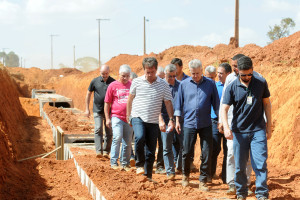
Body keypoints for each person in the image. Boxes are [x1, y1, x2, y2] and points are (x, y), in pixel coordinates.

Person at [221, 56, 272, 200]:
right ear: (237, 72)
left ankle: (262, 194)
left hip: (258, 130)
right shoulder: (232, 86)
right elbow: (224, 108)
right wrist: (226, 127)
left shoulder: (261, 83)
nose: (247, 77)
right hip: (239, 132)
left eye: (250, 74)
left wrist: (270, 125)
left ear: (253, 71)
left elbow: (267, 104)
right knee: (240, 167)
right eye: (243, 75)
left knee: (260, 163)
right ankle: (241, 192)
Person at [126, 57, 175, 182]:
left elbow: (168, 102)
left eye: (152, 72)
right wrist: (128, 115)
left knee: (151, 149)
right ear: (144, 70)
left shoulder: (163, 84)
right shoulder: (137, 82)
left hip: (153, 120)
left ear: (156, 69)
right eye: (147, 72)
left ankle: (148, 176)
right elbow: (130, 99)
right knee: (140, 137)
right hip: (138, 116)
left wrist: (171, 119)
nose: (150, 74)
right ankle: (139, 165)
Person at [174, 59, 219, 191]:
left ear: (202, 70)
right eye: (193, 73)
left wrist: (220, 120)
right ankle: (185, 176)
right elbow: (178, 104)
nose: (195, 76)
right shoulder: (184, 84)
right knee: (186, 151)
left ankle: (203, 180)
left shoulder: (210, 84)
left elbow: (216, 103)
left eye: (197, 73)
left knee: (206, 152)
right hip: (188, 122)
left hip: (206, 123)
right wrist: (177, 120)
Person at [218, 54, 254, 195]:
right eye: (233, 66)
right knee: (232, 153)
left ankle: (245, 184)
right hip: (232, 122)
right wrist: (222, 120)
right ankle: (232, 184)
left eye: (236, 66)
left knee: (248, 156)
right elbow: (223, 101)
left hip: (249, 123)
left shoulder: (253, 78)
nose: (234, 69)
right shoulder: (230, 79)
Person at [104, 64, 133, 171]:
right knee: (117, 137)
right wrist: (107, 118)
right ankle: (113, 162)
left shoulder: (132, 85)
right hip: (116, 116)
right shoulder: (112, 86)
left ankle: (125, 163)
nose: (125, 78)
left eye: (127, 76)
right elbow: (107, 103)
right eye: (123, 76)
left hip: (129, 117)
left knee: (128, 141)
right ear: (118, 74)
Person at [207, 63, 232, 184]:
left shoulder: (233, 86)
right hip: (215, 121)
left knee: (228, 150)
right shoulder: (214, 86)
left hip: (229, 122)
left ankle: (226, 177)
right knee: (214, 148)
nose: (218, 75)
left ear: (228, 74)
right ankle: (210, 175)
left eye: (221, 73)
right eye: (218, 73)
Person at [85, 65, 115, 158]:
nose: (105, 75)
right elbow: (88, 94)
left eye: (106, 73)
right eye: (103, 74)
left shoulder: (113, 82)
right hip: (97, 110)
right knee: (98, 129)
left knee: (109, 132)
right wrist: (87, 109)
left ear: (109, 72)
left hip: (109, 112)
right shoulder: (94, 81)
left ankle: (106, 151)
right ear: (99, 72)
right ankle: (98, 151)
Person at [159, 64, 180, 180]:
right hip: (166, 120)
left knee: (183, 145)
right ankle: (170, 171)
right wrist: (161, 120)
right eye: (169, 76)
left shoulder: (181, 86)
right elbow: (156, 105)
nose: (171, 78)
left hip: (179, 120)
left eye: (173, 76)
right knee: (167, 146)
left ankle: (180, 166)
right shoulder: (160, 86)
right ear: (165, 74)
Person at [170, 58, 191, 172]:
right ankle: (176, 162)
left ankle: (181, 164)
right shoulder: (168, 80)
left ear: (181, 67)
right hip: (170, 116)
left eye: (175, 66)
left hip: (185, 117)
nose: (173, 69)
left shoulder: (188, 80)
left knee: (184, 141)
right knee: (173, 141)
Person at [155, 67, 166, 174]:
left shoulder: (165, 87)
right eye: (159, 77)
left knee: (162, 142)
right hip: (152, 119)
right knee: (150, 142)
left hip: (164, 119)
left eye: (163, 77)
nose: (161, 79)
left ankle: (160, 165)